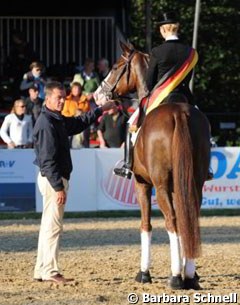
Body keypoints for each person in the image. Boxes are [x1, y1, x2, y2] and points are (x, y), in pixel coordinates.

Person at [33, 81, 114, 283]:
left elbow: (77, 124)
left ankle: (41, 270)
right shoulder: (47, 123)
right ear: (48, 97)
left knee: (48, 226)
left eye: (63, 97)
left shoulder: (55, 119)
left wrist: (100, 110)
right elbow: (47, 160)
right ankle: (50, 271)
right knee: (53, 227)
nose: (62, 101)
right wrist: (58, 187)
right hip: (54, 179)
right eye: (58, 97)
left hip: (53, 177)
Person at [113, 11, 212, 179]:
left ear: (163, 30)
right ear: (177, 29)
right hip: (185, 97)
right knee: (205, 127)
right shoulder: (191, 53)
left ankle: (128, 164)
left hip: (161, 99)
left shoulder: (157, 52)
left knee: (132, 126)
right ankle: (207, 169)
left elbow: (149, 82)